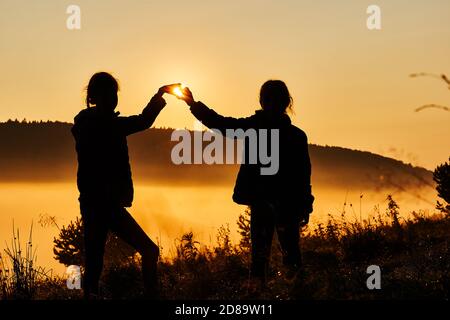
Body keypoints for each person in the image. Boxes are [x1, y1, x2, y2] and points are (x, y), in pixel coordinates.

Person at [176, 80, 314, 287]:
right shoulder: (296, 135)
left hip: (262, 201)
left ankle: (257, 296)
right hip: (287, 203)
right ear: (287, 102)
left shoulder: (253, 128)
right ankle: (295, 292)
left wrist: (192, 104)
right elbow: (303, 175)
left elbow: (219, 123)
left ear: (262, 101)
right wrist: (306, 205)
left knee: (260, 258)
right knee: (291, 257)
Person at [72, 72, 176, 299]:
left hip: (92, 203)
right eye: (110, 94)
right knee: (149, 251)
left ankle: (90, 295)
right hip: (105, 205)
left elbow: (140, 121)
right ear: (97, 97)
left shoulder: (86, 124)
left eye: (115, 94)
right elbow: (143, 121)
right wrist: (159, 96)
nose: (114, 99)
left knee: (94, 262)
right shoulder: (104, 125)